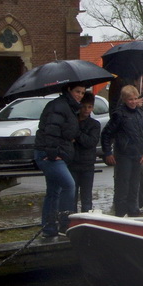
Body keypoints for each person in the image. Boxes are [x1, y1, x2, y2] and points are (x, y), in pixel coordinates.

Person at [34, 83, 85, 237]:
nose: (80, 95)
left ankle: (49, 228)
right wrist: (51, 153)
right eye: (77, 91)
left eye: (82, 93)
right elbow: (50, 131)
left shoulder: (69, 108)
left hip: (57, 154)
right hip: (50, 154)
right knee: (69, 185)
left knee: (53, 191)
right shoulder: (59, 106)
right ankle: (65, 223)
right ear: (69, 90)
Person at [101, 85, 143, 218]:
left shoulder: (141, 114)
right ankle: (121, 212)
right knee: (123, 185)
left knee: (135, 185)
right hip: (124, 155)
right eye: (130, 99)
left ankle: (133, 210)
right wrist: (107, 152)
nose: (133, 102)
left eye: (135, 99)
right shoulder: (119, 114)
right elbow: (106, 133)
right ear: (124, 99)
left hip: (138, 155)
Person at [69, 91, 101, 213]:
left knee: (86, 197)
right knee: (72, 196)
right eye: (84, 106)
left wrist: (77, 136)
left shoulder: (94, 124)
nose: (86, 110)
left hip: (87, 164)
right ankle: (70, 220)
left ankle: (86, 220)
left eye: (90, 107)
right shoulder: (72, 121)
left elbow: (90, 142)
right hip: (72, 163)